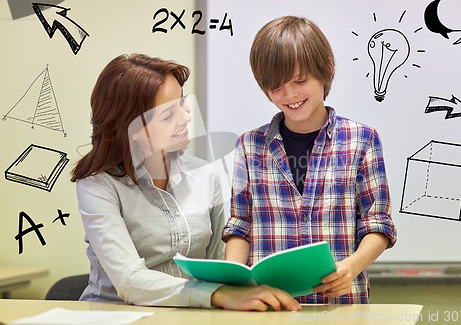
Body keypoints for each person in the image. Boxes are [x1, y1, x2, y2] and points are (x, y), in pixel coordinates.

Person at [71, 53, 300, 311]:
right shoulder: (98, 185)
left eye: (182, 103)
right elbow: (129, 281)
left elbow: (217, 267)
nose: (186, 118)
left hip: (189, 316)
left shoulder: (204, 174)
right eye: (168, 115)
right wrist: (218, 295)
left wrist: (243, 288)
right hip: (115, 316)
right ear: (133, 128)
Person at [222, 16, 397, 304]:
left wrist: (350, 267)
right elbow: (240, 224)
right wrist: (236, 279)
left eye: (300, 81)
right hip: (270, 306)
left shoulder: (361, 140)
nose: (289, 95)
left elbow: (378, 224)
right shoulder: (250, 146)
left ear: (326, 70)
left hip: (341, 305)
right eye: (276, 87)